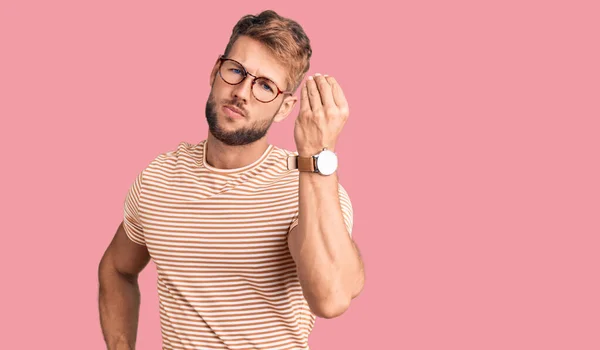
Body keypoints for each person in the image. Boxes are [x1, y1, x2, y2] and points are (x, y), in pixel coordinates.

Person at [98, 9, 365, 350]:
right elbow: (117, 268)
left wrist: (316, 154)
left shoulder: (306, 188)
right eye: (236, 71)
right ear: (215, 71)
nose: (242, 92)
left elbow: (331, 298)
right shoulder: (158, 179)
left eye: (265, 86)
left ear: (285, 108)